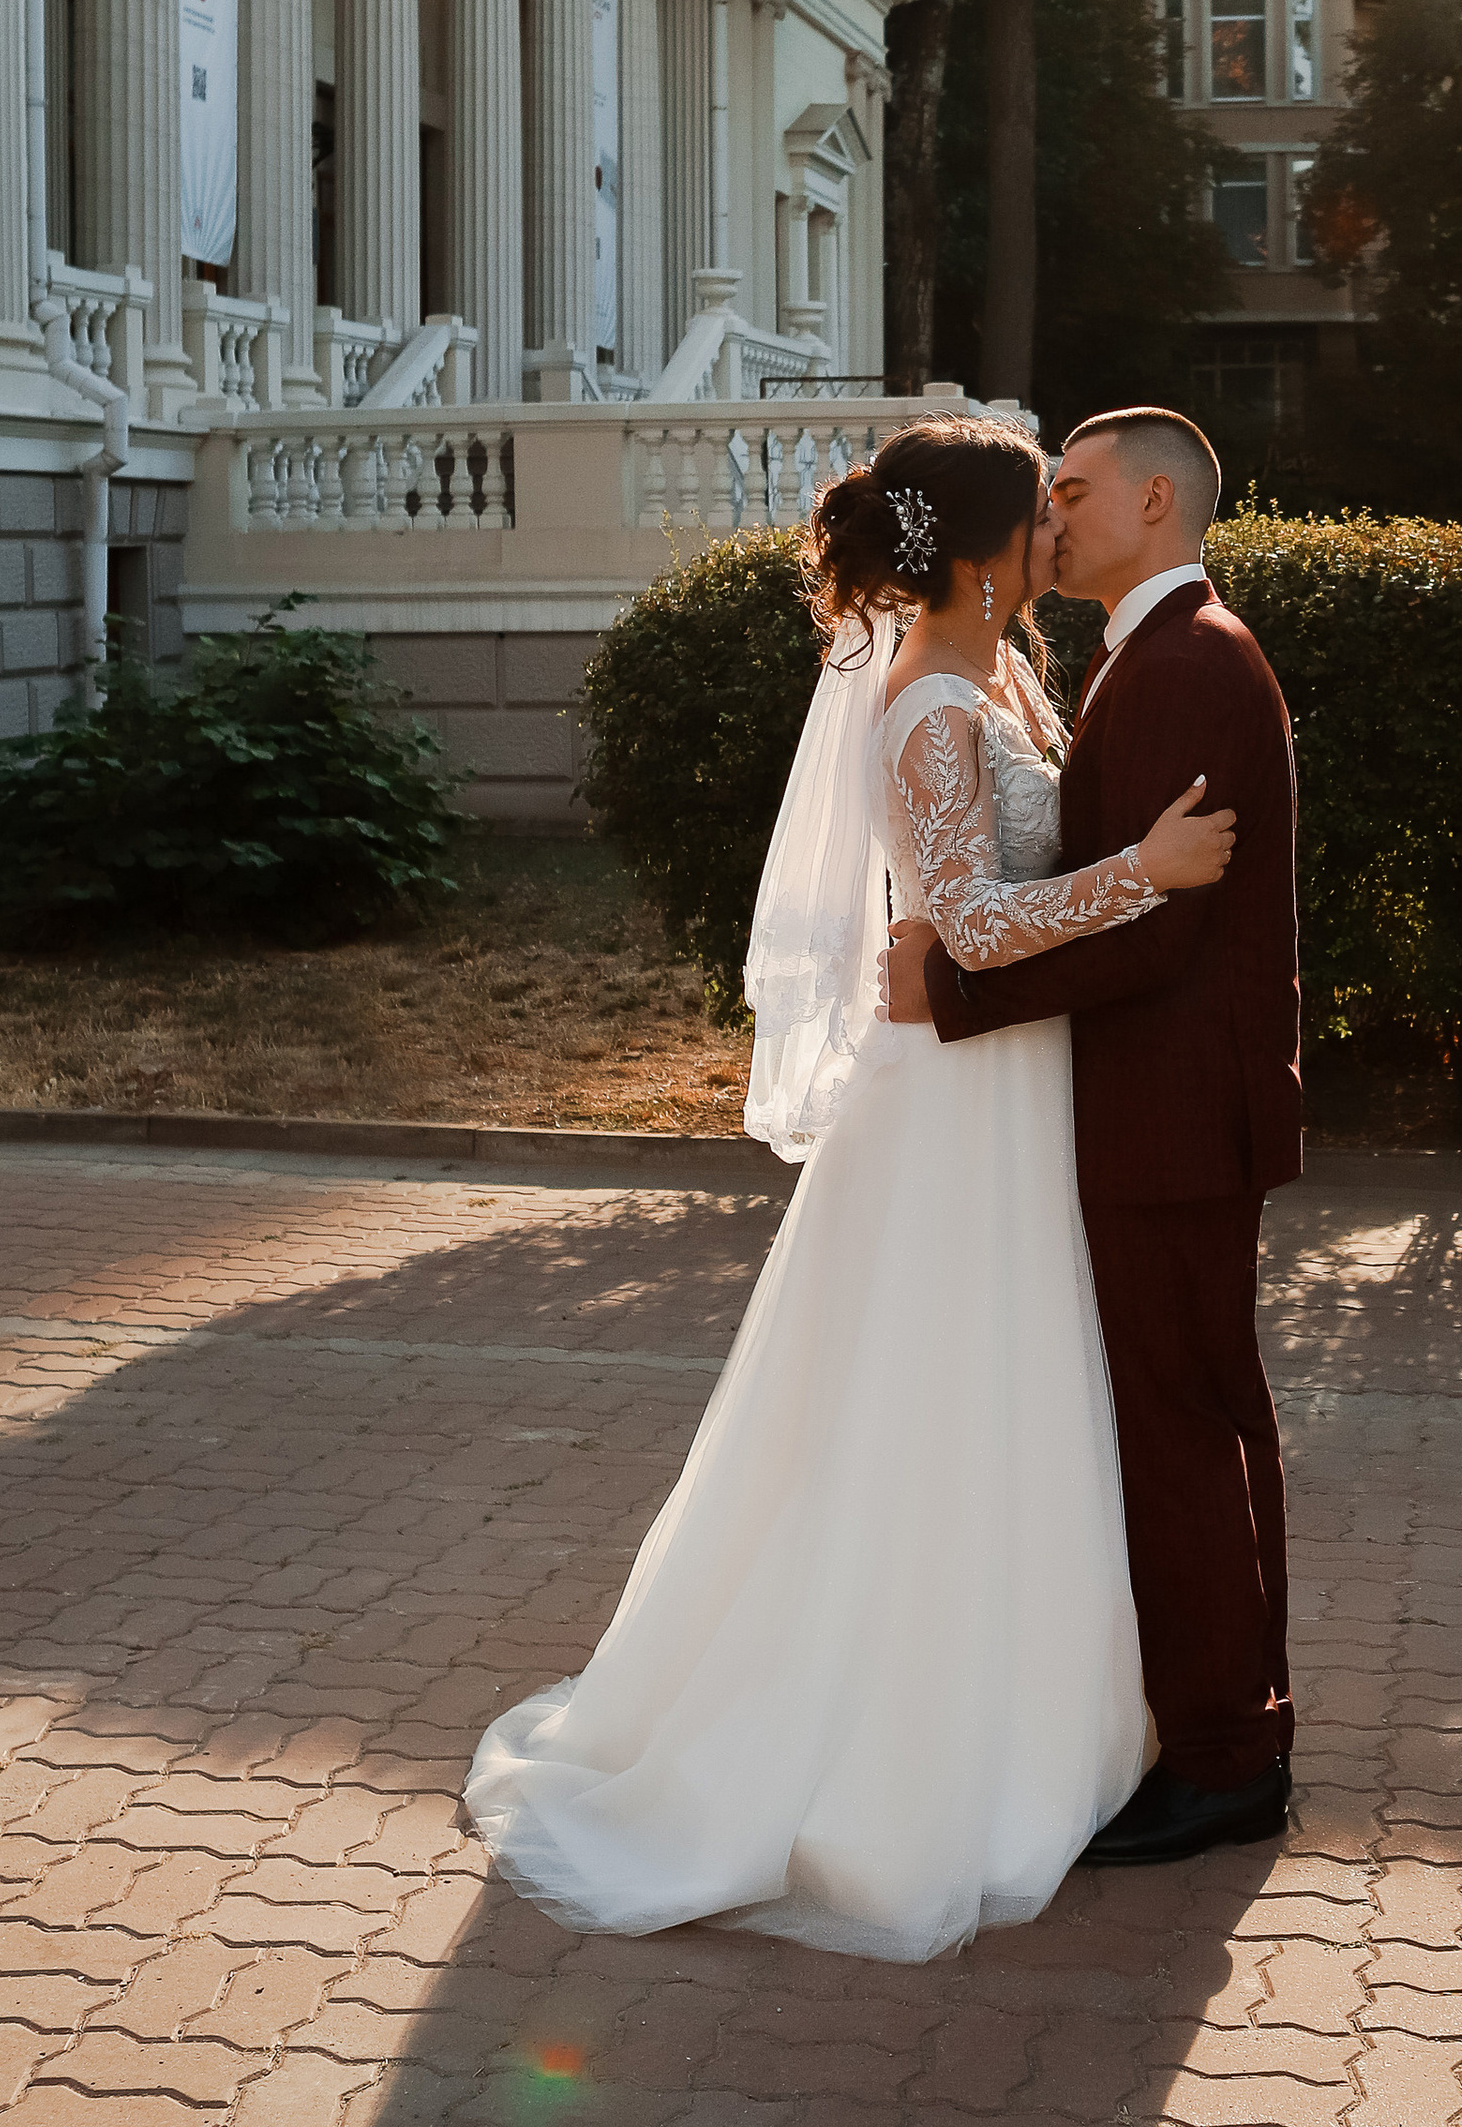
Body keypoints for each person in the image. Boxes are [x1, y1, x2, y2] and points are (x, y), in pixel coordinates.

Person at [462, 411, 1235, 1960]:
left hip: (1010, 1085)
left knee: (1008, 1389)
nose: (1057, 541)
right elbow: (967, 919)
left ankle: (1029, 1704)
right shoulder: (925, 703)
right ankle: (886, 1736)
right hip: (951, 1098)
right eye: (1041, 517)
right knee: (927, 1399)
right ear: (984, 547)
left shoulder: (1002, 675)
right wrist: (1144, 871)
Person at [885, 405, 1303, 1869]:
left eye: (1073, 491)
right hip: (1156, 1109)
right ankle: (1231, 1727)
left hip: (1173, 1111)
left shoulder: (1187, 660)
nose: (1051, 517)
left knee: (1182, 1432)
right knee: (1193, 1421)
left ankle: (1225, 1759)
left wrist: (944, 984)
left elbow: (1162, 935)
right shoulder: (1143, 655)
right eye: (1039, 497)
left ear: (1151, 503)